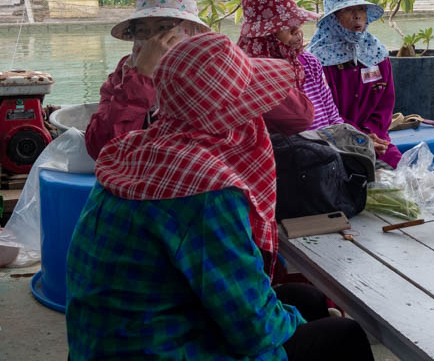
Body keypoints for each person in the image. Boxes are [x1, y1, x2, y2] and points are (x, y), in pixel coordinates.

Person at [67, 32, 374, 360]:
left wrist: (297, 319)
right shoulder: (207, 190)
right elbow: (253, 330)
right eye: (251, 106)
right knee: (344, 335)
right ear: (231, 116)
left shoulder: (128, 150)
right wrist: (297, 324)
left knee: (306, 298)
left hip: (102, 341)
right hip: (155, 349)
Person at [84, 0, 209, 159]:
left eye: (164, 28)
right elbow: (101, 148)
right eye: (143, 30)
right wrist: (141, 77)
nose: (153, 43)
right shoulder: (124, 74)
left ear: (191, 31)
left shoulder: (211, 73)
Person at [307, 0, 400, 167]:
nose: (357, 15)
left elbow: (385, 104)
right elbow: (325, 112)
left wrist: (370, 133)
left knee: (401, 170)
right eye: (349, 10)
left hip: (378, 139)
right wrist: (358, 137)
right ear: (334, 18)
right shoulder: (317, 61)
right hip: (334, 143)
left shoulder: (376, 53)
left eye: (361, 9)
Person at [238, 0, 344, 132]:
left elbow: (332, 115)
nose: (297, 31)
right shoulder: (250, 76)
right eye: (286, 25)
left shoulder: (308, 62)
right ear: (265, 35)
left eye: (297, 23)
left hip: (330, 144)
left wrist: (350, 140)